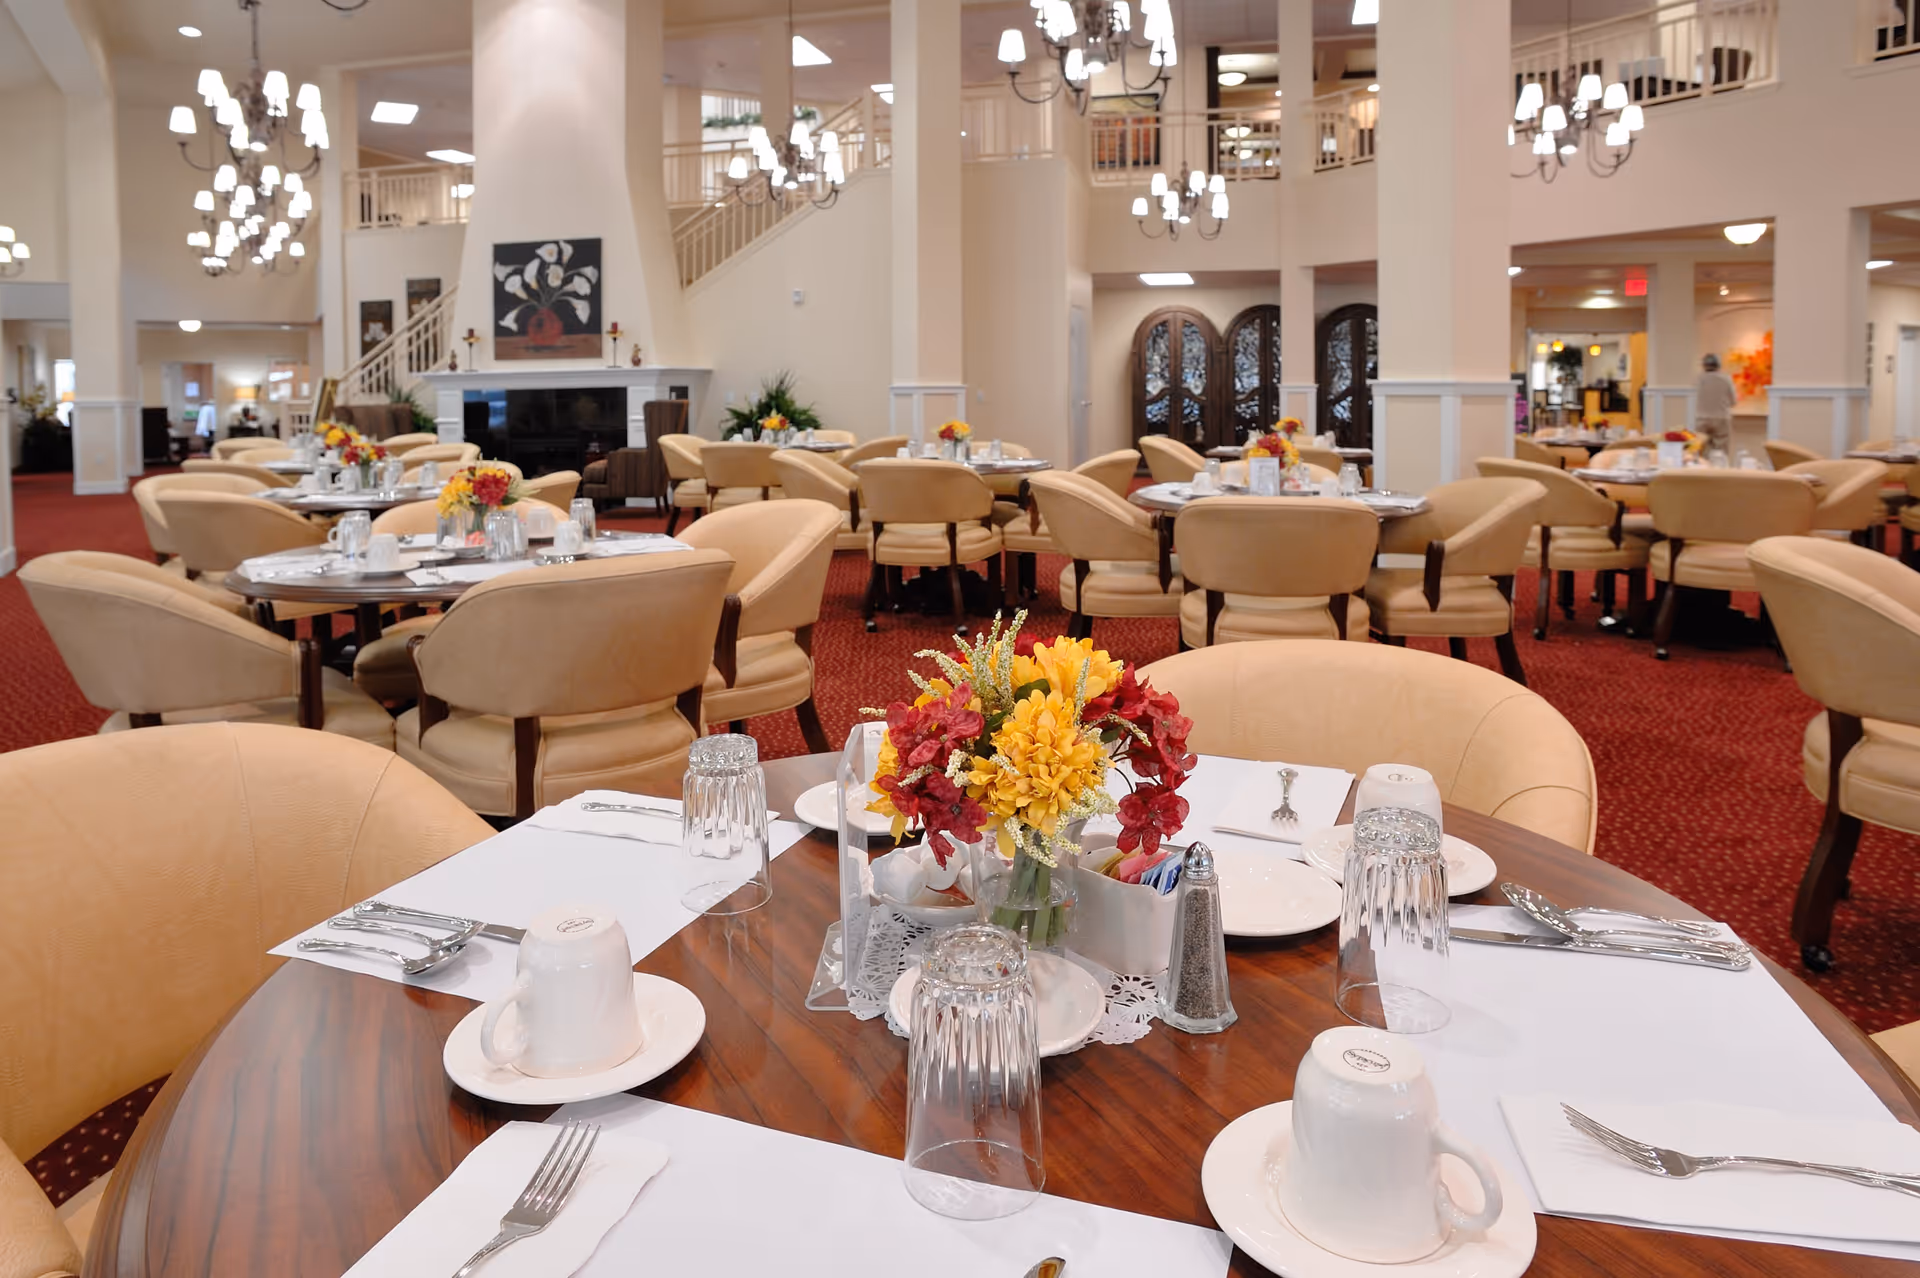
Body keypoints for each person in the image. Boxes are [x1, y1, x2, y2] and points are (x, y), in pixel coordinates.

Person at [1694, 353, 1738, 455]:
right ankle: (1719, 469)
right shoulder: (1726, 379)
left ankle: (1702, 469)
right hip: (1721, 417)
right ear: (1718, 365)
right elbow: (1733, 401)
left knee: (1701, 450)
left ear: (1704, 365)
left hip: (1701, 418)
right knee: (1721, 451)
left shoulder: (1698, 379)